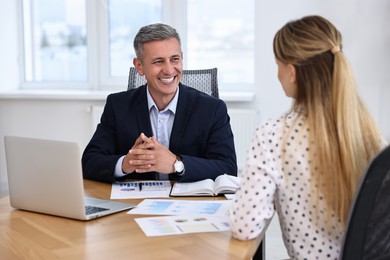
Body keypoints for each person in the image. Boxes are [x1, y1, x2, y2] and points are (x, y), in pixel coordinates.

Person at [229, 15, 387, 259]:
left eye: (277, 64)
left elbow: (244, 226)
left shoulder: (273, 136)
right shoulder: (368, 131)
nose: (277, 74)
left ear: (291, 72)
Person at [82, 23, 237, 183]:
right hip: (134, 204)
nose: (169, 70)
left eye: (174, 59)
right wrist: (127, 163)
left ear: (182, 59)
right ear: (139, 66)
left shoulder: (212, 109)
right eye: (158, 61)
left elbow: (228, 168)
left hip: (191, 204)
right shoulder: (118, 105)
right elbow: (88, 162)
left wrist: (176, 164)